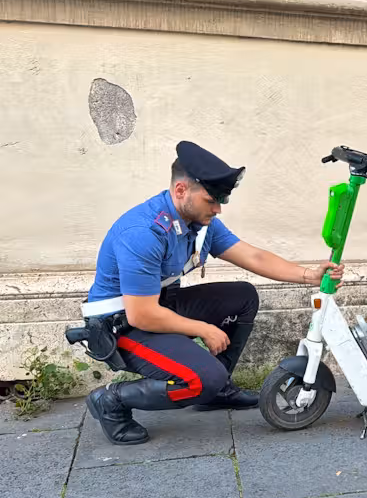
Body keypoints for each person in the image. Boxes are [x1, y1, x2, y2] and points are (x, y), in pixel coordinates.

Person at [79, 141, 345, 446]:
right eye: (211, 200)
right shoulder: (143, 233)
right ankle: (111, 401)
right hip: (123, 324)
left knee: (243, 297)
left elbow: (253, 257)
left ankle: (217, 391)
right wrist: (203, 329)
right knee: (203, 378)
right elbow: (142, 314)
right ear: (181, 191)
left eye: (221, 200)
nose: (217, 208)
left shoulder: (200, 222)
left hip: (160, 306)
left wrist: (309, 275)